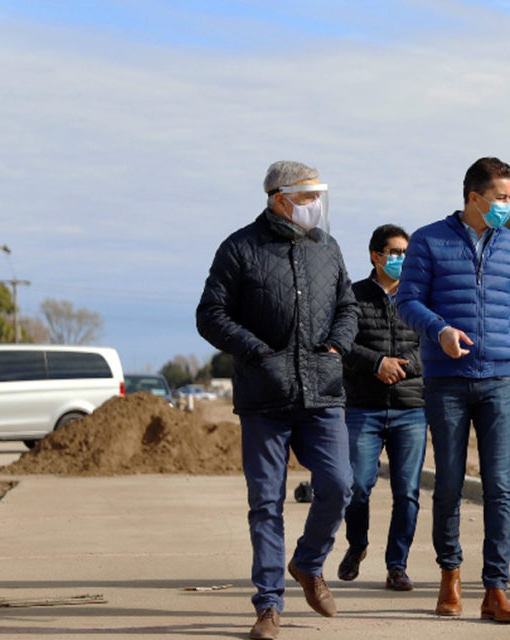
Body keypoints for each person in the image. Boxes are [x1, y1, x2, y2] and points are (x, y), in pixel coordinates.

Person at [196, 160, 359, 640]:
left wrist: (336, 347)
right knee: (266, 502)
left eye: (317, 197)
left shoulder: (327, 248)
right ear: (279, 198)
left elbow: (347, 305)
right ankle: (268, 606)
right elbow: (210, 314)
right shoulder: (240, 248)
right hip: (265, 396)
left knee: (339, 485)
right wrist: (257, 352)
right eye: (307, 197)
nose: (315, 206)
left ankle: (308, 563)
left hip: (323, 392)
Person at [396, 156, 510, 624]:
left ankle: (496, 588)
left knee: (499, 486)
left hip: (499, 378)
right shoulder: (428, 240)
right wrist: (439, 331)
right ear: (474, 197)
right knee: (450, 483)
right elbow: (407, 300)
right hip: (446, 381)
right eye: (500, 198)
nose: (507, 206)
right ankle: (450, 576)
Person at [336, 224, 426, 591]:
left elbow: (431, 343)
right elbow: (341, 343)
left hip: (411, 408)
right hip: (364, 408)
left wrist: (400, 366)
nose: (402, 259)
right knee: (356, 485)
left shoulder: (420, 295)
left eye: (406, 252)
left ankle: (397, 565)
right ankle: (357, 546)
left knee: (407, 491)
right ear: (376, 255)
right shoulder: (351, 296)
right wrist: (376, 363)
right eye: (395, 252)